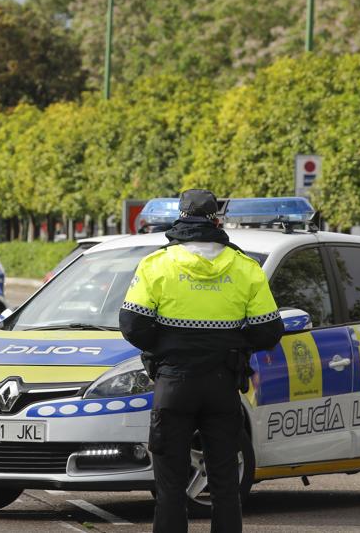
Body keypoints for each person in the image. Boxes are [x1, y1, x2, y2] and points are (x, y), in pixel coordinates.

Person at [119, 189, 283, 533]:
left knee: (169, 487)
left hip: (173, 383)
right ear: (217, 220)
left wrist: (165, 349)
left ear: (180, 217)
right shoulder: (244, 267)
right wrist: (234, 344)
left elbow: (132, 325)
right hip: (223, 383)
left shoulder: (156, 264)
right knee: (225, 484)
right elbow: (269, 331)